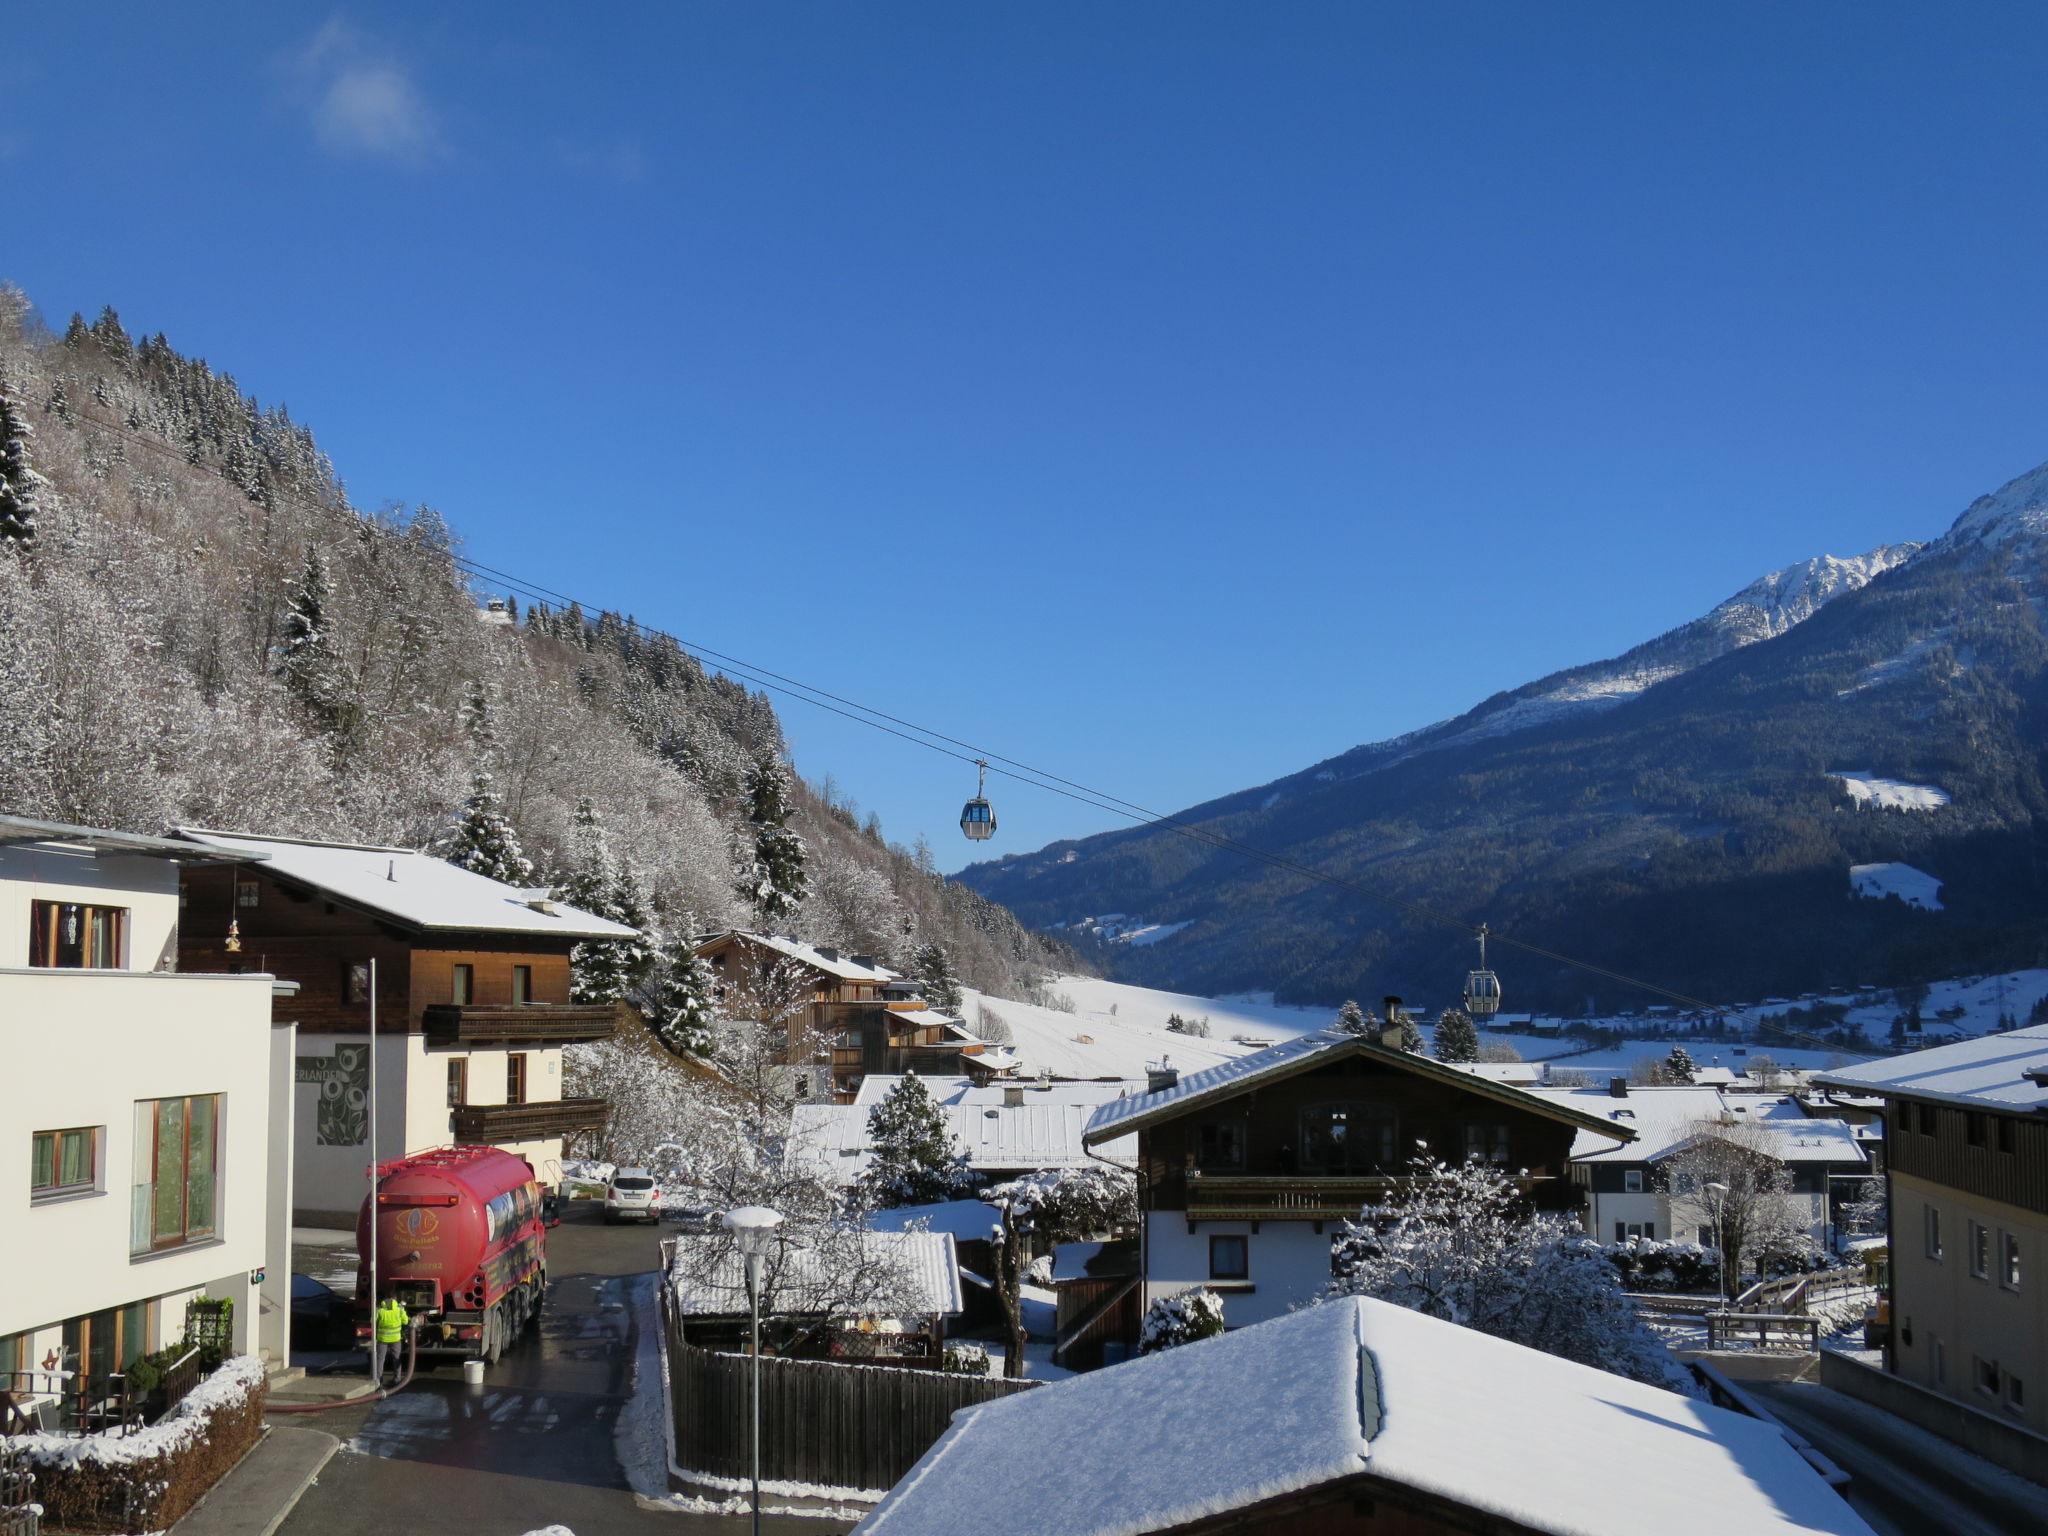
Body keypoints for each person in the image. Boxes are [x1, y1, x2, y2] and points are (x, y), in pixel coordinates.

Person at [371, 1292, 409, 1386]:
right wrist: (402, 1310)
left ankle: (379, 1380)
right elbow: (406, 1321)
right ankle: (397, 1379)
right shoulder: (399, 1309)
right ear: (395, 1299)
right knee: (396, 1358)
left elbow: (372, 1321)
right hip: (396, 1339)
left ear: (384, 1300)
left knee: (380, 1359)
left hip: (382, 1339)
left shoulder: (380, 1310)